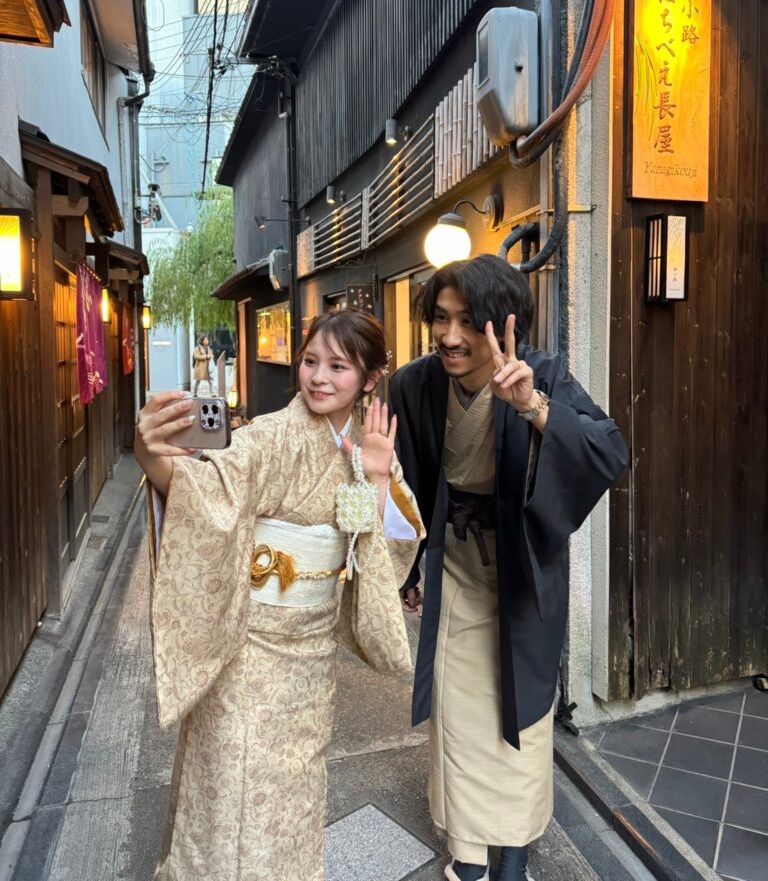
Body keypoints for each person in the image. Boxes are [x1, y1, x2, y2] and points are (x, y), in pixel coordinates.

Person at [136, 308, 424, 881]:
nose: (318, 377)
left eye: (338, 367)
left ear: (370, 379)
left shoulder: (366, 445)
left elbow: (387, 546)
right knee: (230, 802)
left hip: (311, 661)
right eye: (311, 361)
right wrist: (150, 455)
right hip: (247, 657)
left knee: (293, 804)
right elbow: (202, 495)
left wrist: (375, 476)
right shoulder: (268, 437)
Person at [389, 255, 627, 881]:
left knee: (520, 716)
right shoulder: (415, 384)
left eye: (468, 322)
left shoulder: (540, 374)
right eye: (441, 319)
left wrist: (534, 407)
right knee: (459, 717)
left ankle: (514, 851)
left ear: (503, 322)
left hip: (521, 576)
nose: (450, 337)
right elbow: (402, 481)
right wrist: (407, 570)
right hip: (456, 568)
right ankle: (469, 855)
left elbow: (609, 450)